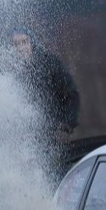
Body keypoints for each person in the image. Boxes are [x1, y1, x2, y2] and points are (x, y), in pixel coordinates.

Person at [8, 27, 81, 175]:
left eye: (25, 42)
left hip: (52, 133)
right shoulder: (10, 70)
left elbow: (71, 93)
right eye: (17, 44)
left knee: (56, 174)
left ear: (32, 43)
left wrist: (68, 122)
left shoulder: (49, 63)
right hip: (24, 139)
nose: (22, 48)